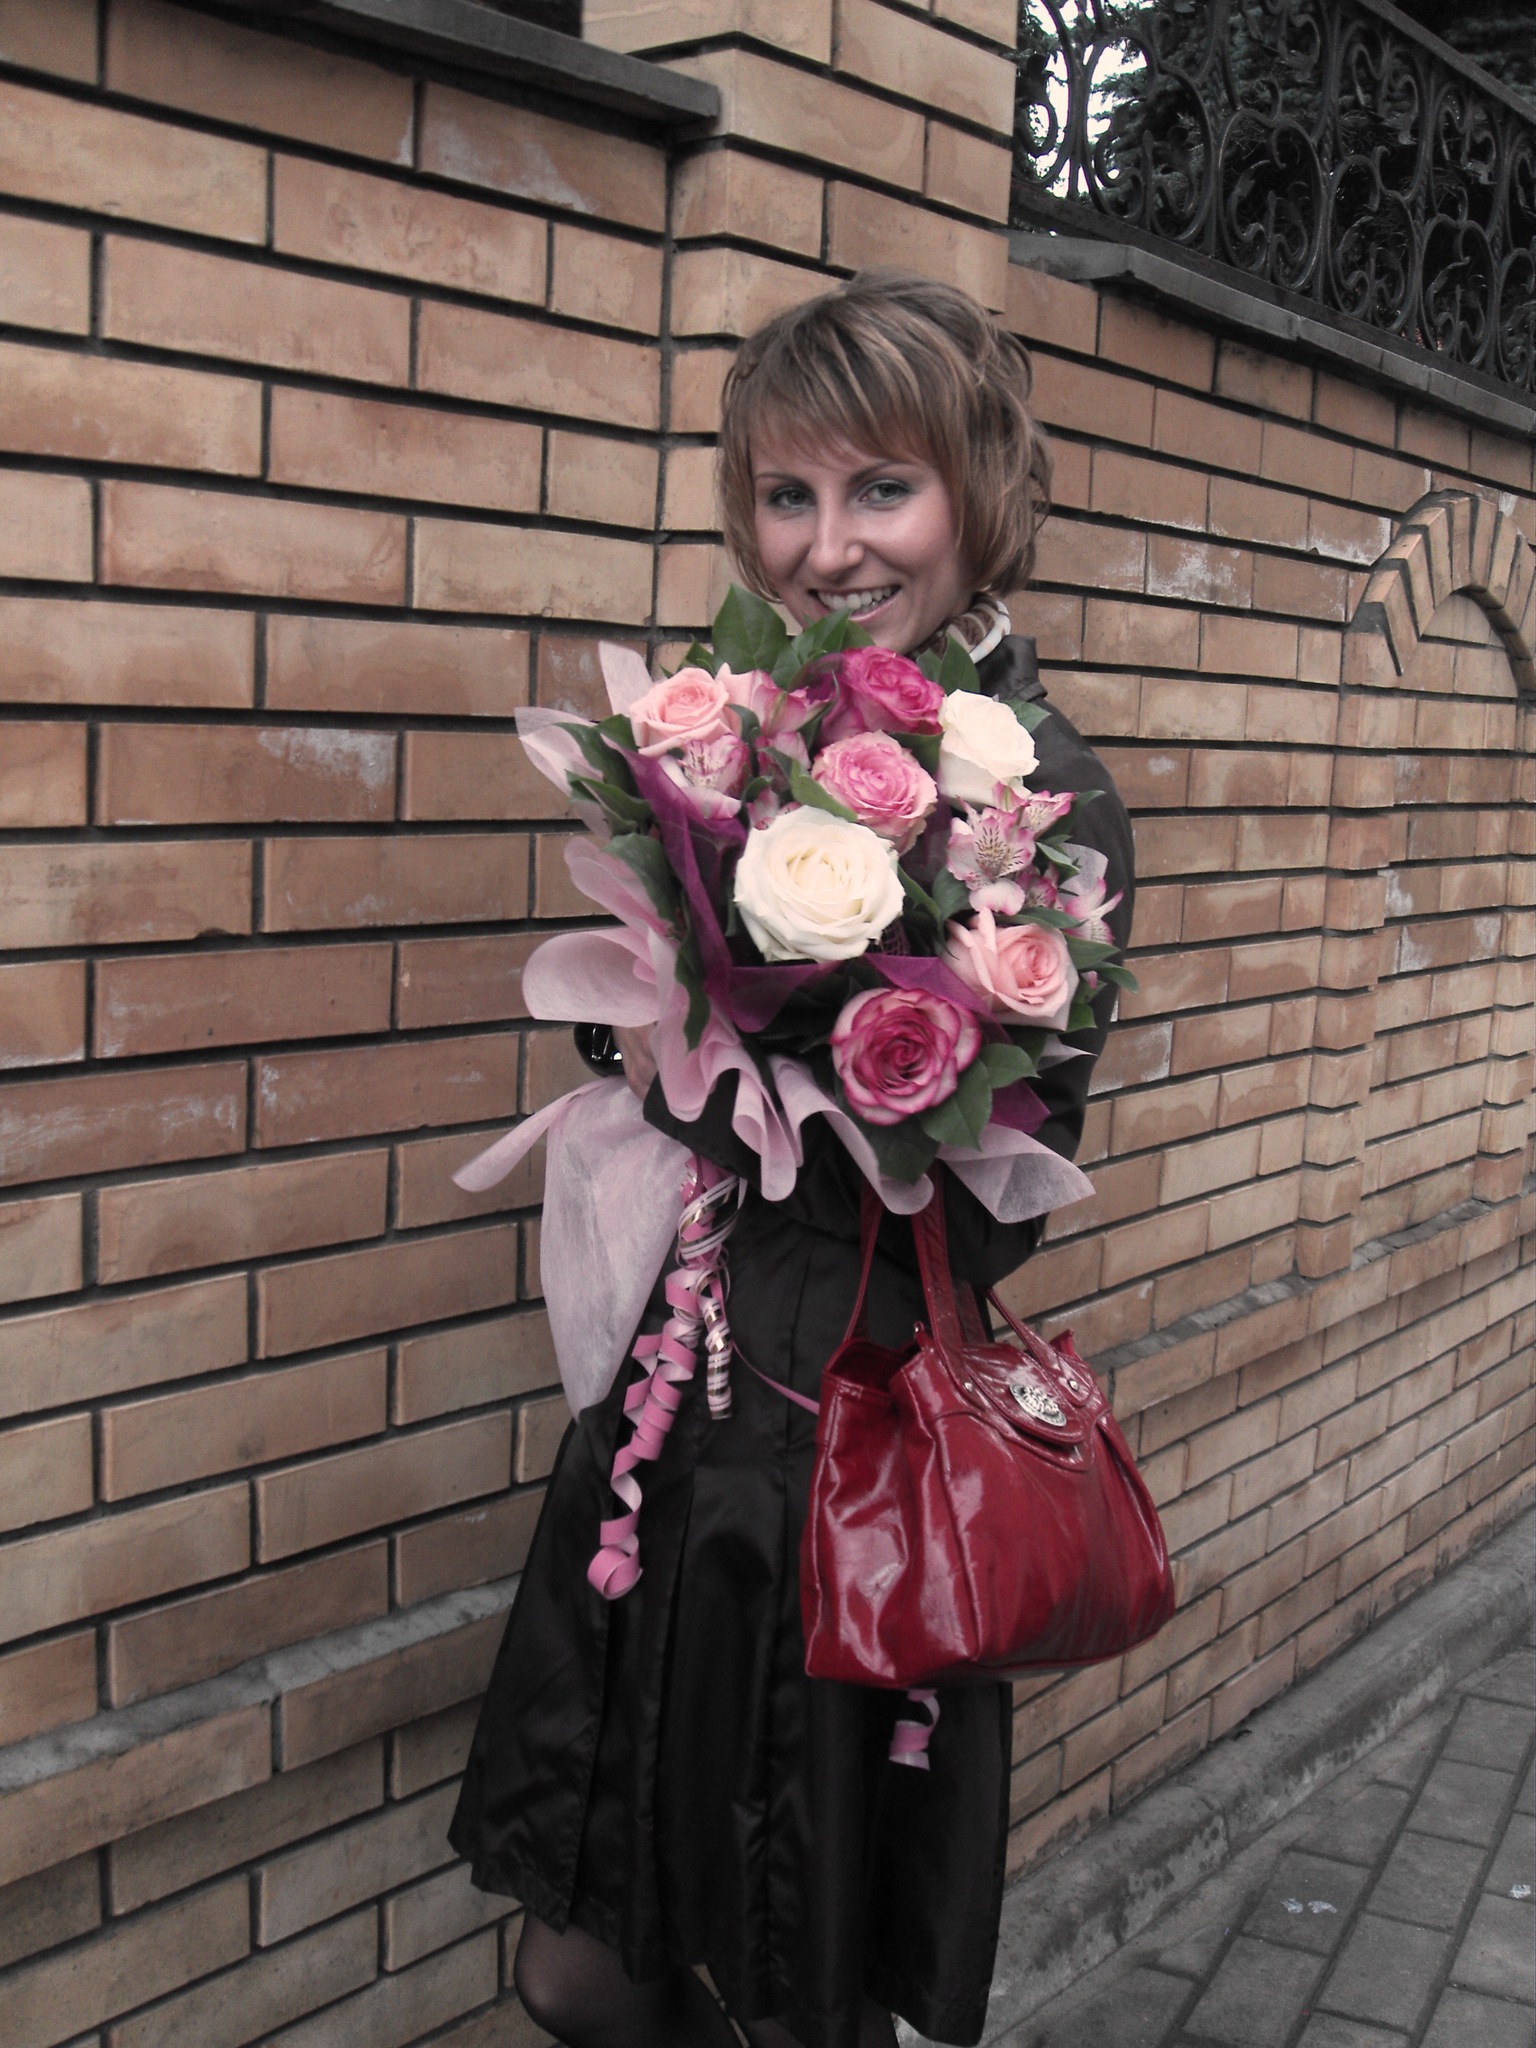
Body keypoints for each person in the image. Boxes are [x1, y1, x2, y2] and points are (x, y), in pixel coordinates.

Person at [449, 269, 1136, 2048]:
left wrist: (707, 1078)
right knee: (580, 1968)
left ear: (977, 494)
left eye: (881, 488)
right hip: (677, 1431)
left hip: (844, 1475)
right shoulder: (754, 732)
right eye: (786, 495)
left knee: (787, 1983)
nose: (830, 546)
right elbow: (655, 1029)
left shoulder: (1034, 798)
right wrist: (662, 1033)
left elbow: (994, 1193)